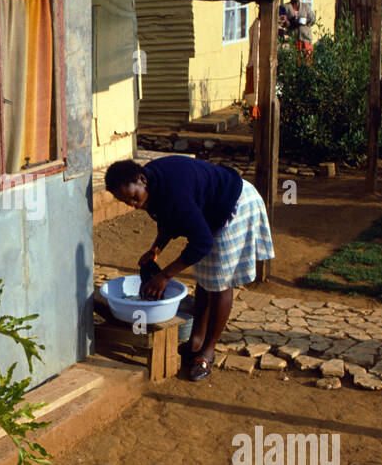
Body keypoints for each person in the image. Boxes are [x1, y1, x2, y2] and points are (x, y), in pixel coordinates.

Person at [105, 156, 275, 382]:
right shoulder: (151, 187)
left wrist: (165, 276)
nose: (135, 205)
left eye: (134, 198)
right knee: (205, 277)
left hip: (234, 204)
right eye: (128, 203)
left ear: (141, 179)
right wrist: (156, 249)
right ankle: (196, 341)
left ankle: (208, 352)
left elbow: (202, 242)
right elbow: (167, 218)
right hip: (209, 214)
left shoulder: (172, 190)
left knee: (220, 283)